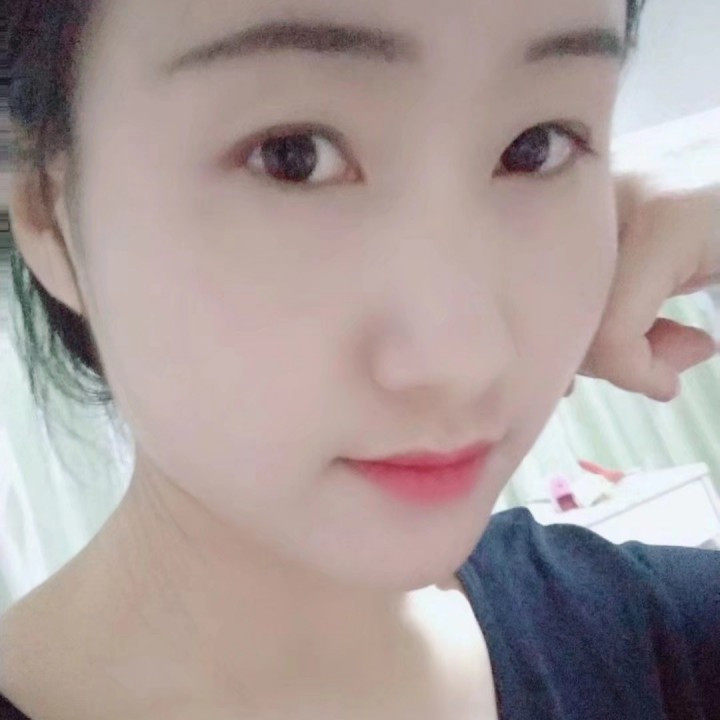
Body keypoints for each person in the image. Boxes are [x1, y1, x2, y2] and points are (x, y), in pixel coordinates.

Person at [1, 0, 720, 718]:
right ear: (45, 207)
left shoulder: (664, 643)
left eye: (537, 146)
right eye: (293, 156)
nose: (465, 360)